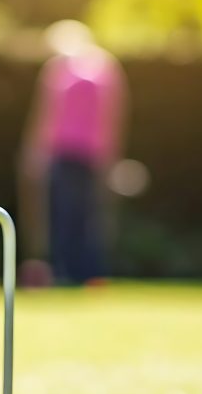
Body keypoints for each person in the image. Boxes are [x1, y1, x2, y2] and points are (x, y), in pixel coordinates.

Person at [19, 20, 127, 285]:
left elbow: (47, 113)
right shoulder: (107, 65)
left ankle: (74, 271)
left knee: (72, 214)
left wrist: (34, 151)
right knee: (79, 213)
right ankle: (76, 272)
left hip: (74, 153)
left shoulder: (59, 68)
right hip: (82, 153)